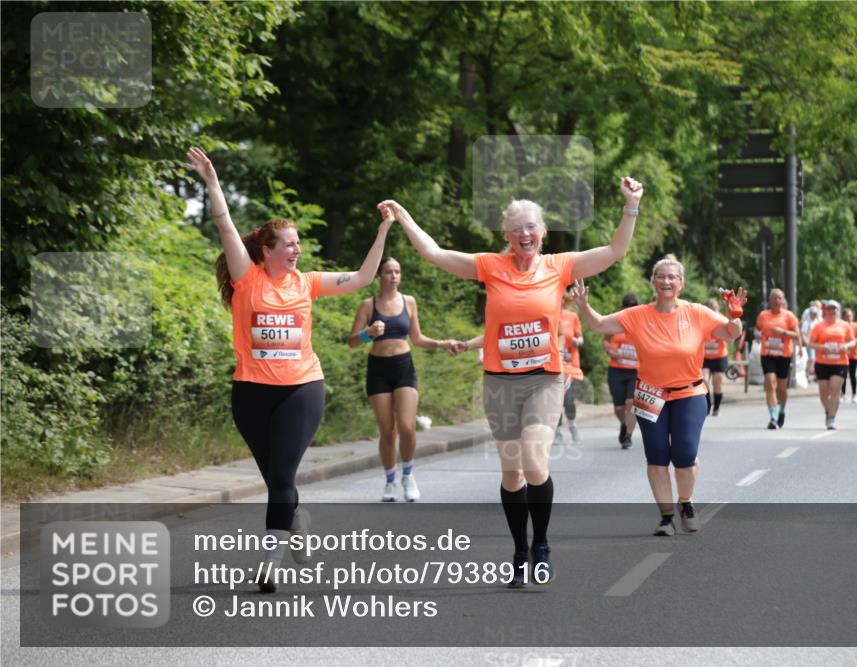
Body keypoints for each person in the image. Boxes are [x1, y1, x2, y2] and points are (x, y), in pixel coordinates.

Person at [379, 175, 643, 587]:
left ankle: (541, 545)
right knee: (511, 472)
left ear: (542, 233)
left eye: (531, 227)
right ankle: (519, 549)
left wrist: (630, 206)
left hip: (544, 379)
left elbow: (615, 250)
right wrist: (405, 218)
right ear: (507, 234)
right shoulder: (491, 266)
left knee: (535, 460)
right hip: (500, 382)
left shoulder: (559, 267)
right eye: (516, 228)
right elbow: (433, 253)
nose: (524, 234)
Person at [186, 147, 392, 593]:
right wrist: (212, 183)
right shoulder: (248, 278)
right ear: (267, 250)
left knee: (280, 477)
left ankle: (270, 561)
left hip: (302, 388)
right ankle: (297, 520)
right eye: (291, 243)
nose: (298, 249)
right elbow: (224, 225)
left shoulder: (308, 282)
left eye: (299, 243)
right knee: (276, 477)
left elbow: (360, 278)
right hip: (251, 394)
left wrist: (382, 232)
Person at [573, 256, 745, 536]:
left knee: (685, 455)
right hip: (650, 394)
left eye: (672, 277)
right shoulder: (637, 315)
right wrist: (583, 306)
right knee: (656, 457)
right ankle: (666, 517)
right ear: (653, 282)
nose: (666, 281)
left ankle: (686, 502)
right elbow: (600, 325)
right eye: (661, 277)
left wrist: (735, 317)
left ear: (681, 283)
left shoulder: (697, 312)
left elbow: (729, 334)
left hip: (688, 392)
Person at [348, 257, 461, 502]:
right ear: (379, 276)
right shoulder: (368, 305)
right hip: (378, 368)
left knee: (407, 427)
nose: (394, 276)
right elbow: (352, 342)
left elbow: (417, 338)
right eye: (389, 272)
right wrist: (368, 334)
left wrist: (442, 343)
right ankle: (390, 481)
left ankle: (408, 475)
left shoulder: (409, 302)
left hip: (403, 367)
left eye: (397, 271)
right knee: (387, 431)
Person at [755, 288, 801, 429]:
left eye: (779, 298)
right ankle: (773, 417)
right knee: (770, 383)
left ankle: (782, 410)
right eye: (774, 298)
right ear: (770, 300)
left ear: (783, 300)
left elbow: (797, 336)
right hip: (767, 354)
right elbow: (757, 329)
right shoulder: (763, 315)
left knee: (782, 388)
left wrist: (783, 332)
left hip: (784, 355)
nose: (777, 301)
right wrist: (757, 334)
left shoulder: (789, 316)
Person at [807, 300, 856, 430]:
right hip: (822, 362)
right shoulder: (819, 326)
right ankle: (829, 410)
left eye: (834, 309)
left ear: (838, 311)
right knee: (823, 394)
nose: (832, 311)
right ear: (825, 311)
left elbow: (853, 342)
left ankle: (831, 419)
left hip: (839, 362)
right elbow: (810, 344)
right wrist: (822, 348)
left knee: (835, 390)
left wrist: (846, 346)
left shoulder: (845, 325)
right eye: (829, 309)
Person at [604, 293, 640, 449]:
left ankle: (628, 436)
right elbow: (605, 340)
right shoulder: (615, 321)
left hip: (636, 370)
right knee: (619, 408)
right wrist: (611, 352)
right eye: (627, 309)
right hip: (616, 369)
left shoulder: (642, 322)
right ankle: (625, 425)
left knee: (631, 402)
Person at [555, 287, 585, 445]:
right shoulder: (545, 316)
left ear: (564, 300)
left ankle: (572, 424)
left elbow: (580, 337)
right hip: (554, 364)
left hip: (570, 364)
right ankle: (558, 430)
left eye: (560, 298)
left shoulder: (572, 316)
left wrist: (577, 341)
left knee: (568, 400)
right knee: (556, 399)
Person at [702, 297, 729, 417]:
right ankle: (708, 403)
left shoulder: (722, 321)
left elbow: (730, 336)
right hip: (705, 357)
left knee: (717, 382)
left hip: (719, 356)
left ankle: (716, 407)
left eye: (714, 309)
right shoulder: (702, 321)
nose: (712, 312)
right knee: (704, 380)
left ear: (718, 310)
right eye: (710, 309)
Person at [841, 308, 857, 403]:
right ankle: (843, 394)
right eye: (847, 316)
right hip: (843, 354)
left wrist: (852, 343)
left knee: (852, 374)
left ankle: (854, 394)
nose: (849, 318)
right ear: (843, 317)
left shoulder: (855, 326)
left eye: (850, 316)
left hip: (853, 354)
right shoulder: (840, 326)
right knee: (843, 375)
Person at [800, 301, 821, 379]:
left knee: (817, 359)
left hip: (817, 343)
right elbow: (803, 333)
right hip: (810, 343)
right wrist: (806, 342)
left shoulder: (818, 322)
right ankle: (807, 375)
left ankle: (816, 375)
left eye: (816, 313)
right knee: (811, 359)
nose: (815, 315)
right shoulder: (807, 322)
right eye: (814, 313)